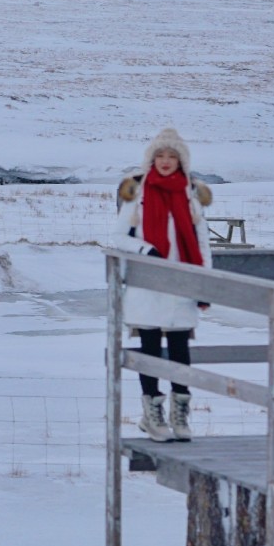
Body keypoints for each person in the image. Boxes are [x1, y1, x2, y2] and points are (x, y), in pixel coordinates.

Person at [112, 127, 214, 442]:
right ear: (151, 159)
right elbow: (116, 238)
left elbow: (202, 242)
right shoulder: (138, 194)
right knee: (151, 349)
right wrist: (145, 250)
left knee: (181, 350)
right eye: (160, 155)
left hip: (182, 283)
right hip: (148, 284)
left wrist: (205, 283)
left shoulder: (190, 194)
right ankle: (152, 415)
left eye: (172, 156)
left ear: (181, 161)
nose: (166, 161)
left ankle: (180, 416)